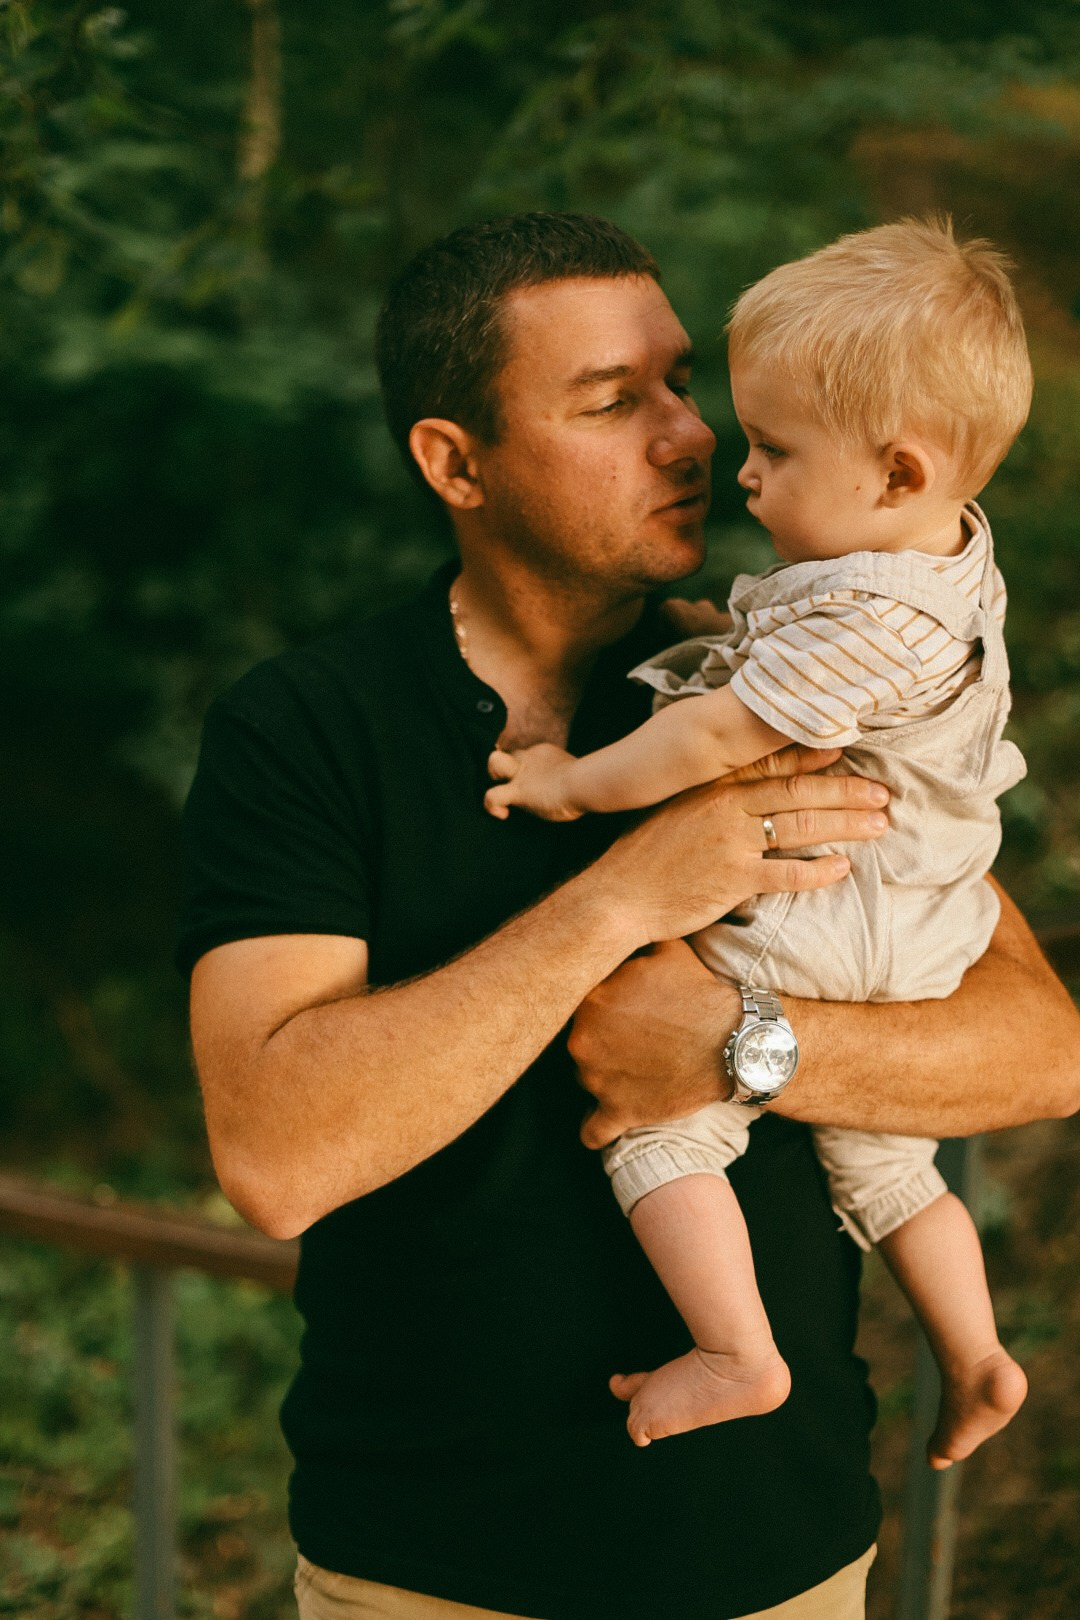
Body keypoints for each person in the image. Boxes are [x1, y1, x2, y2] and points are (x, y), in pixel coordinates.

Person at [178, 213, 1080, 1620]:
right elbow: (279, 1156)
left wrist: (745, 1041)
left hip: (785, 1560)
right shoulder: (310, 730)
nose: (692, 436)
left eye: (680, 386)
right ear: (453, 462)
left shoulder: (774, 675)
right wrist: (623, 899)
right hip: (428, 1572)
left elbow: (1039, 1049)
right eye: (613, 401)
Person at [484, 218, 1031, 1462]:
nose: (739, 468)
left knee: (659, 1121)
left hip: (835, 910)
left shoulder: (865, 621)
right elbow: (806, 660)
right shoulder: (947, 557)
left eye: (776, 450)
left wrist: (572, 784)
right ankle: (981, 1353)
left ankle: (737, 1349)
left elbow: (712, 743)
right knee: (888, 1161)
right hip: (935, 921)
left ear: (897, 473)